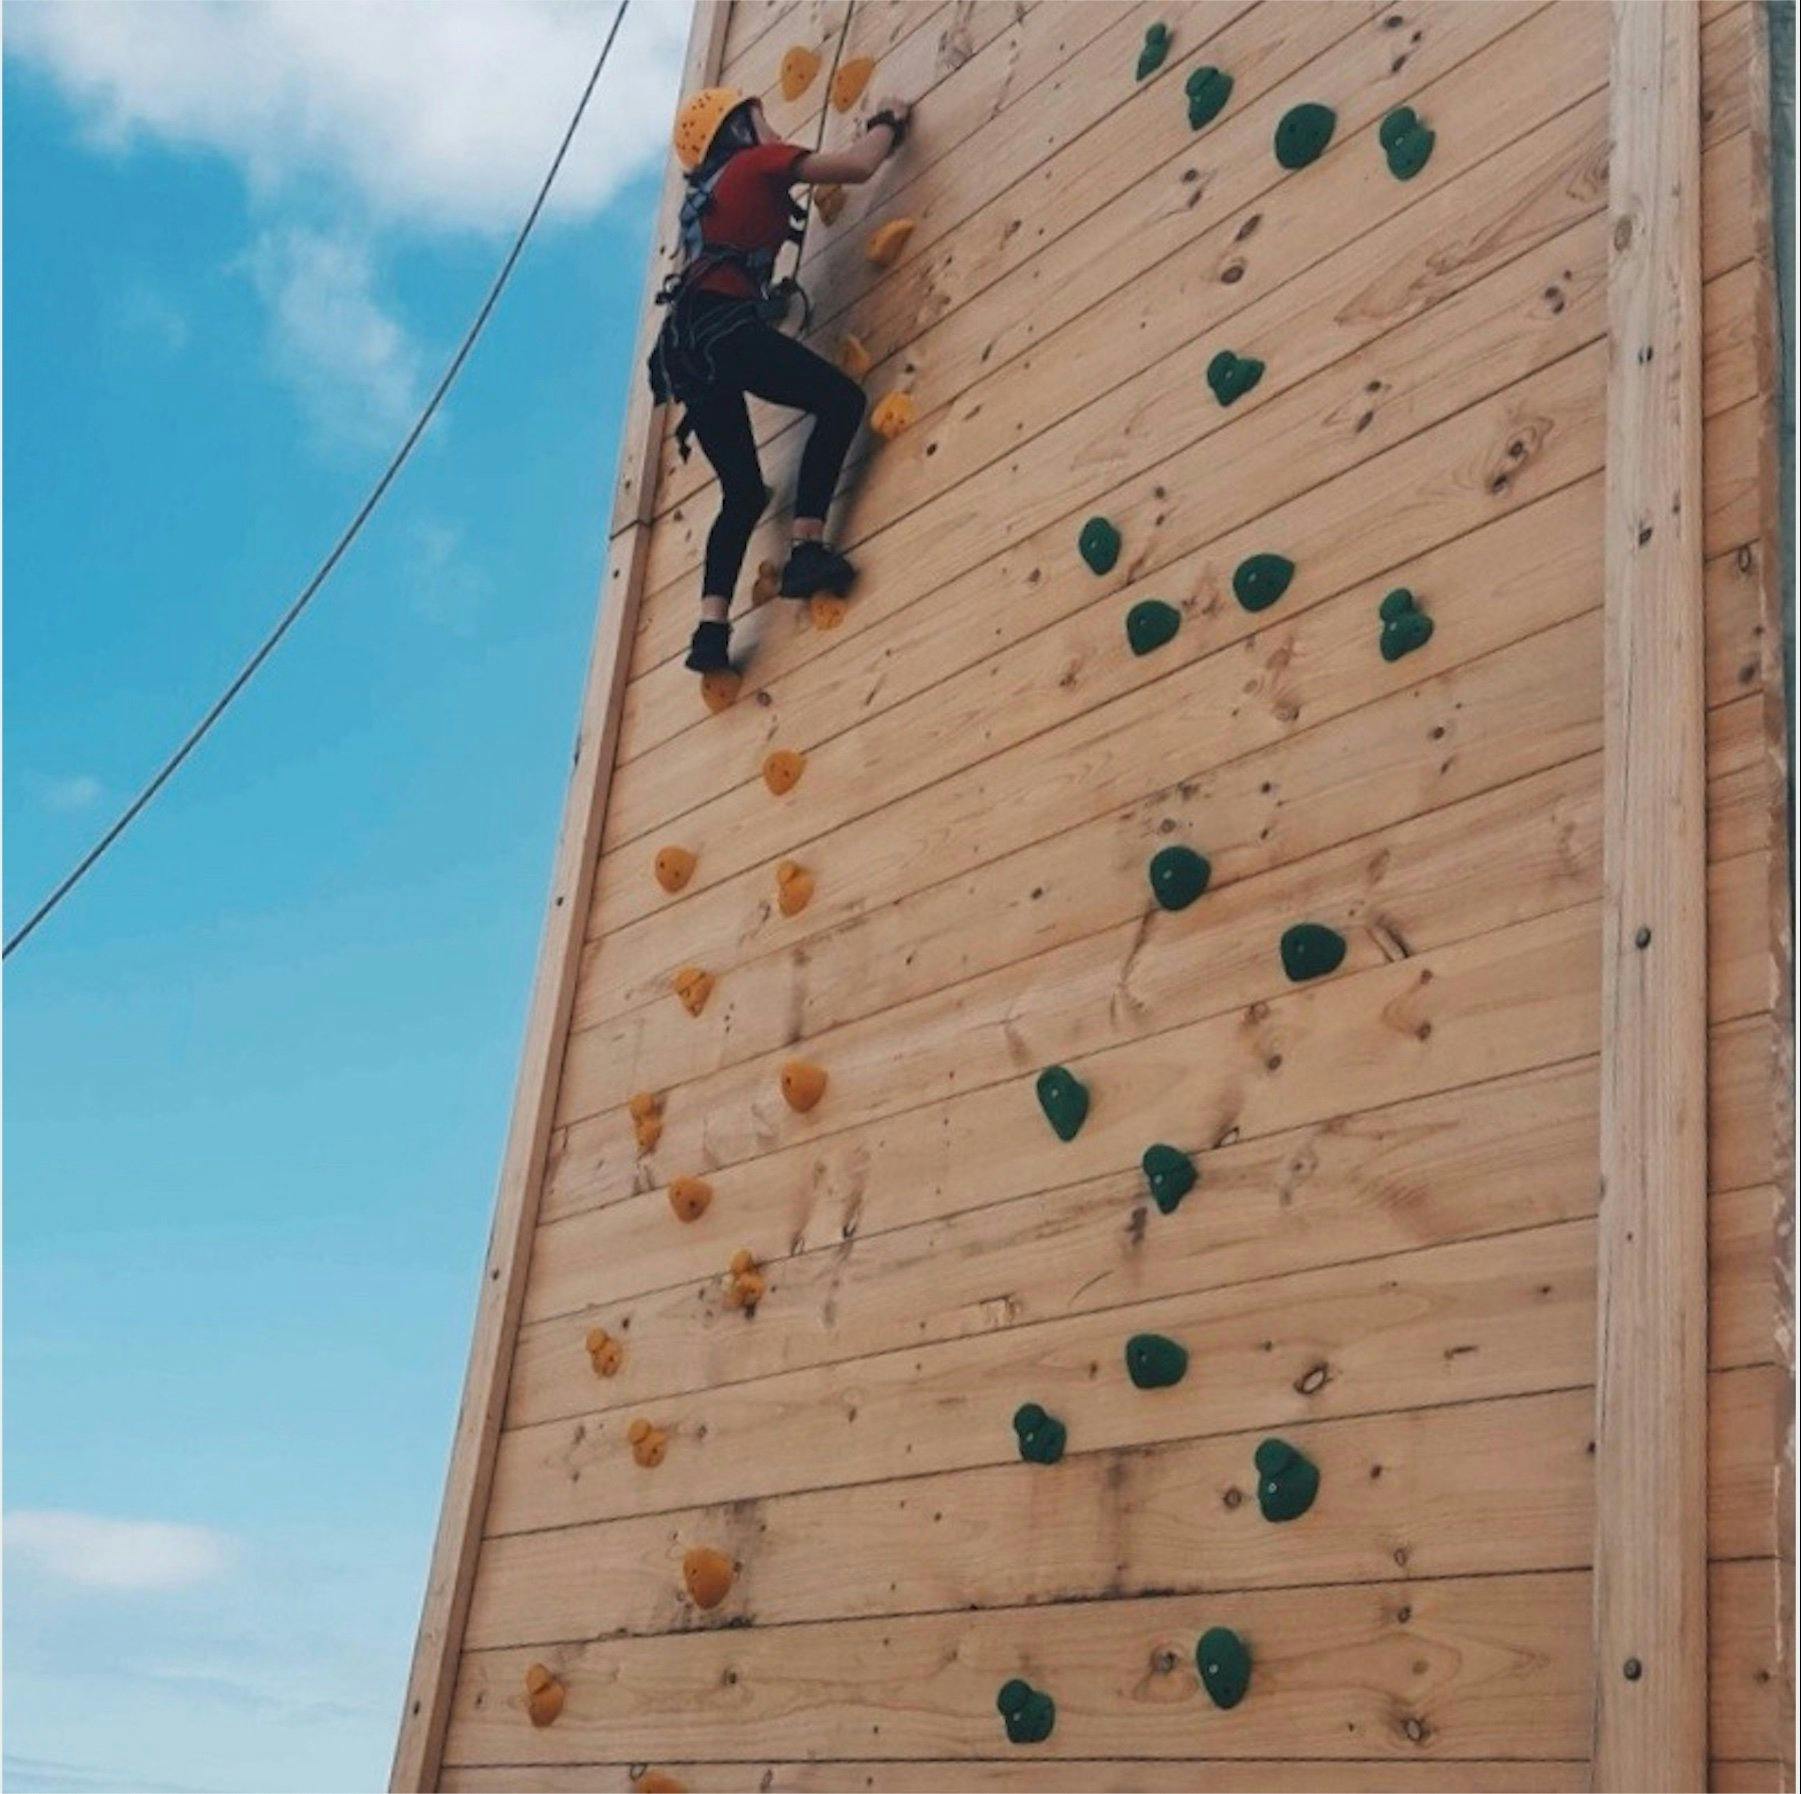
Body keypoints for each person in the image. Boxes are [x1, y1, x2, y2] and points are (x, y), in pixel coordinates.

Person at [651, 84, 914, 675]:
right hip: (725, 332)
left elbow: (724, 269)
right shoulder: (756, 163)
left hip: (686, 351)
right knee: (842, 401)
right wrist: (887, 121)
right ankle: (806, 549)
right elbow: (858, 165)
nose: (770, 127)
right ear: (737, 131)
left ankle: (710, 633)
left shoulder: (706, 198)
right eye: (758, 117)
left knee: (742, 493)